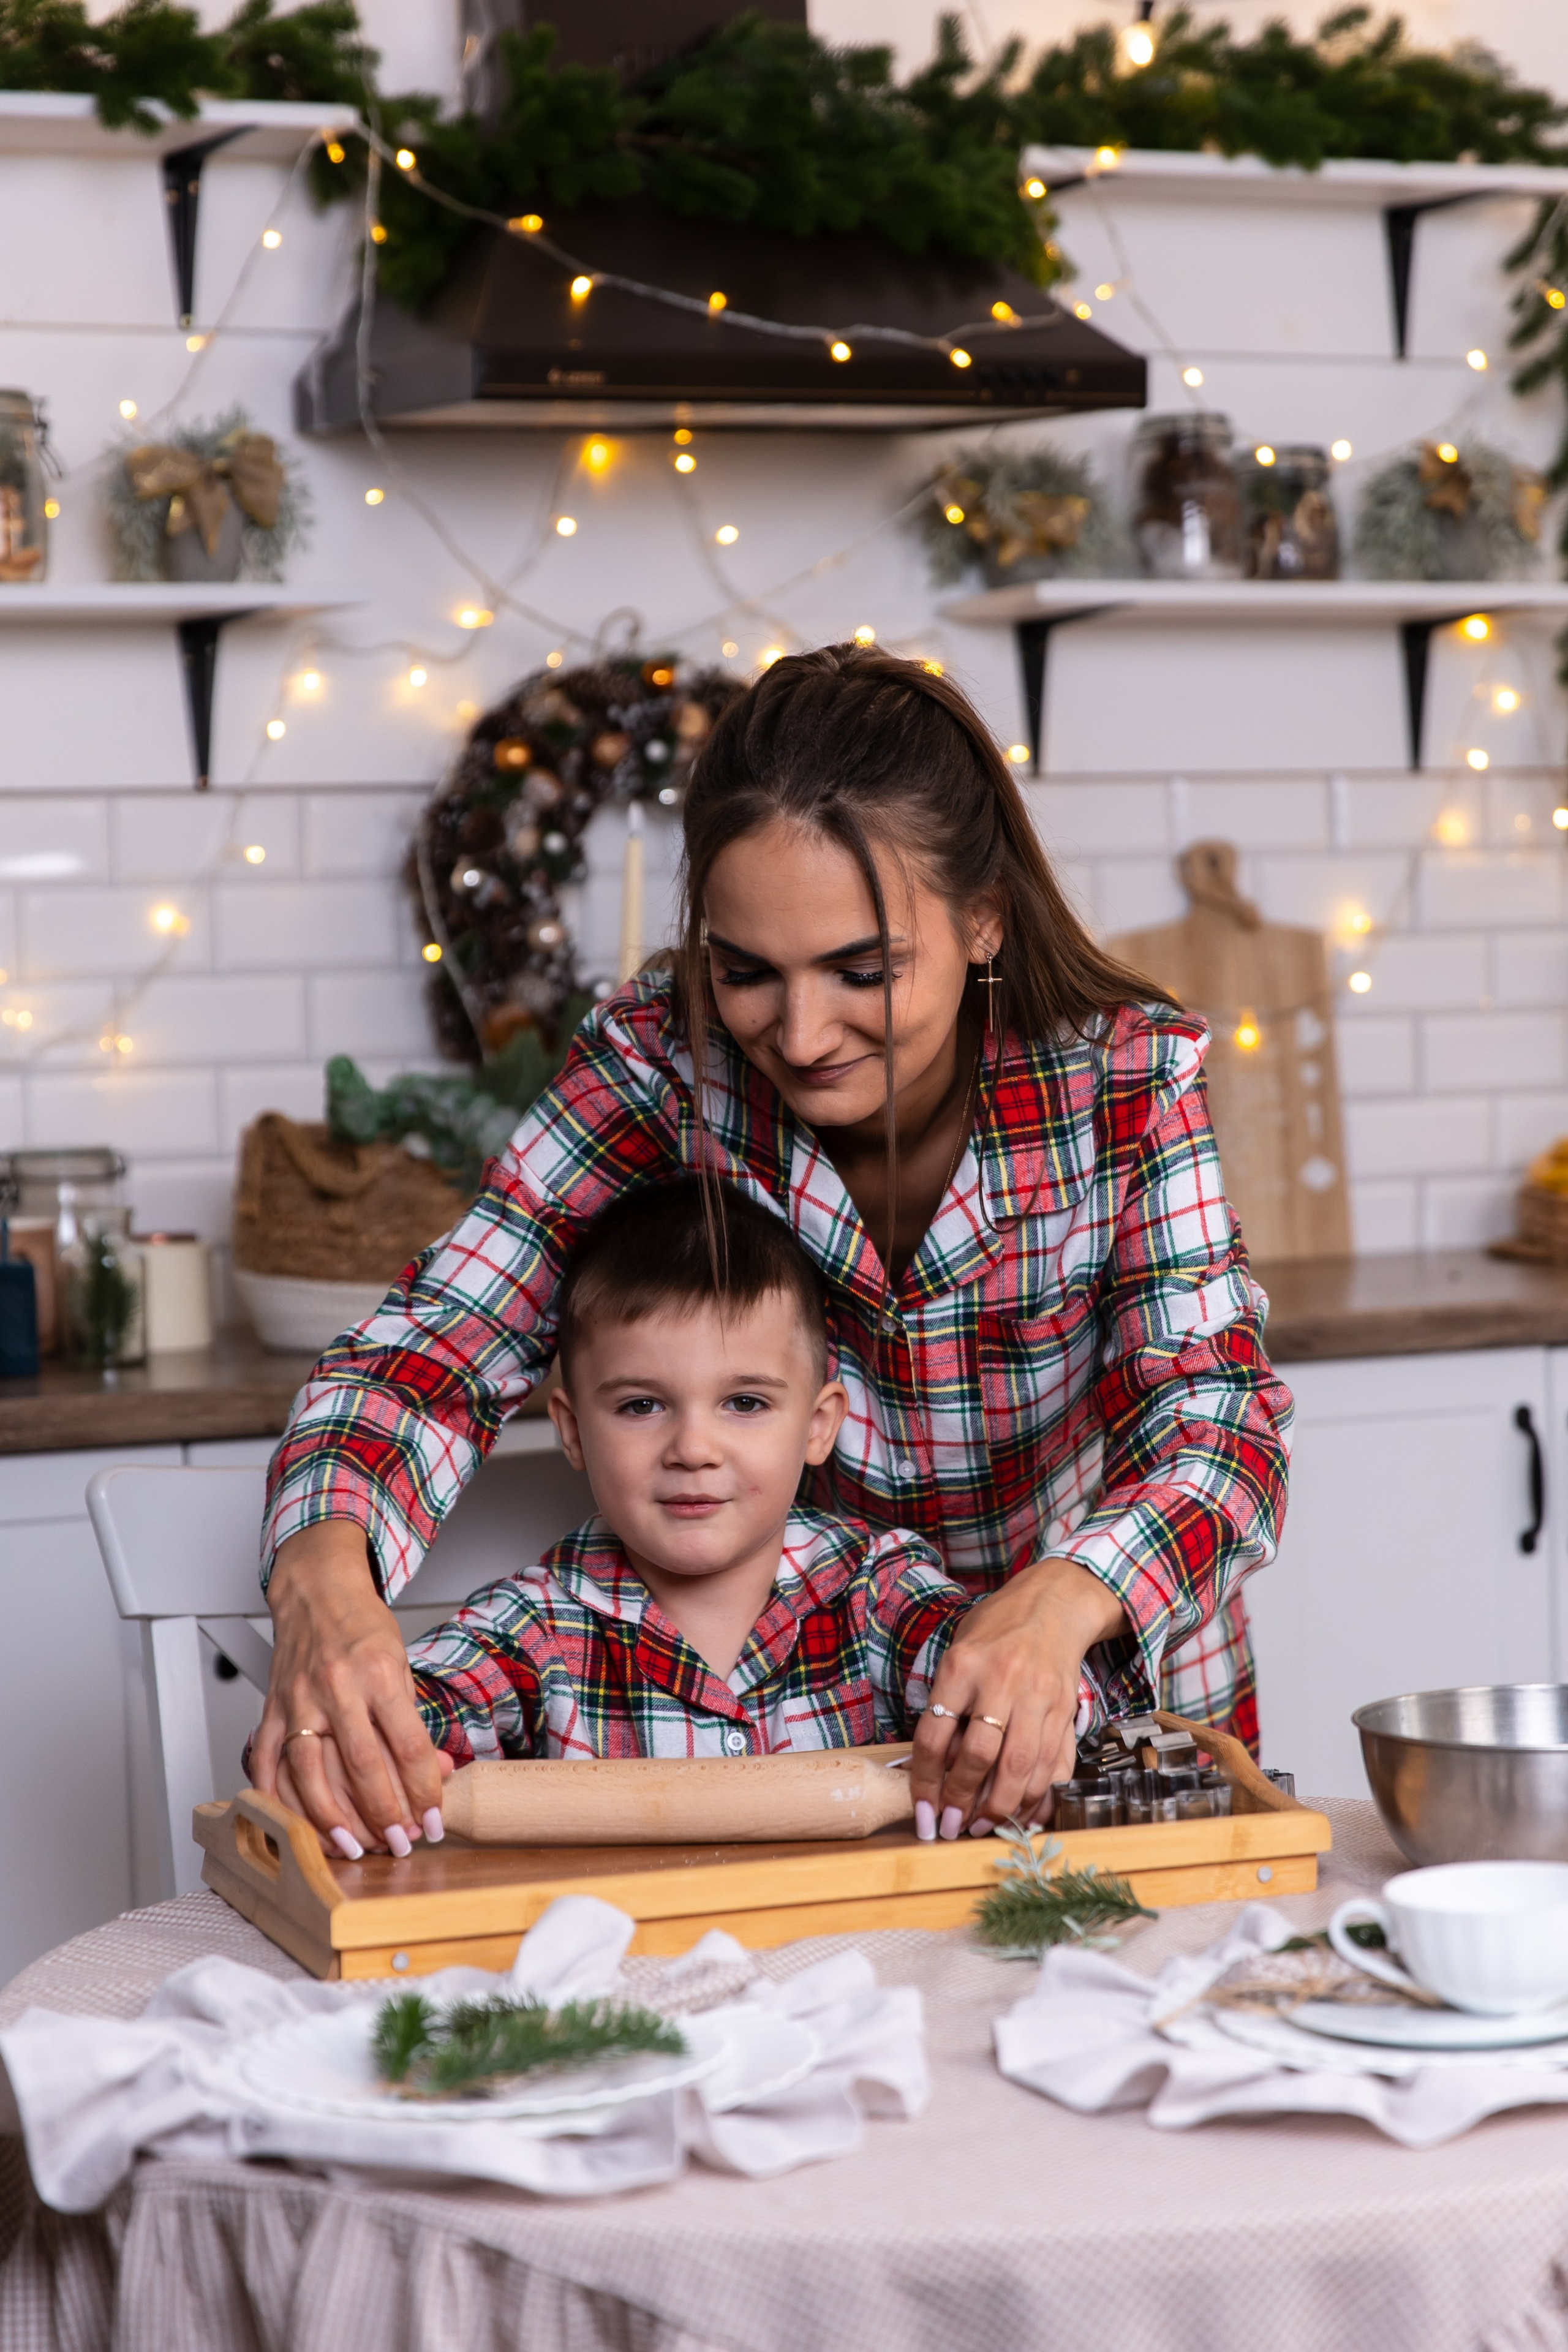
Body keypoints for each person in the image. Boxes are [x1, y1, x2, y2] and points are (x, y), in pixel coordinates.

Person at [255, 644, 1292, 1859]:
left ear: (981, 917)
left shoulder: (1122, 1074)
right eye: (746, 973)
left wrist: (1062, 1601)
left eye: (862, 971)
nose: (798, 1036)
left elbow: (1218, 1426)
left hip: (1095, 1729)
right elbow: (432, 1346)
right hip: (803, 1754)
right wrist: (321, 1580)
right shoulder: (658, 1065)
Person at [328, 1180, 968, 1856]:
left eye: (744, 1403)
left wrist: (1023, 1711)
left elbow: (1021, 1687)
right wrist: (358, 1753)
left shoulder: (878, 1593)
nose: (693, 1449)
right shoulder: (535, 1628)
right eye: (641, 1406)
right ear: (573, 1433)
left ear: (817, 1426)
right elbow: (384, 1719)